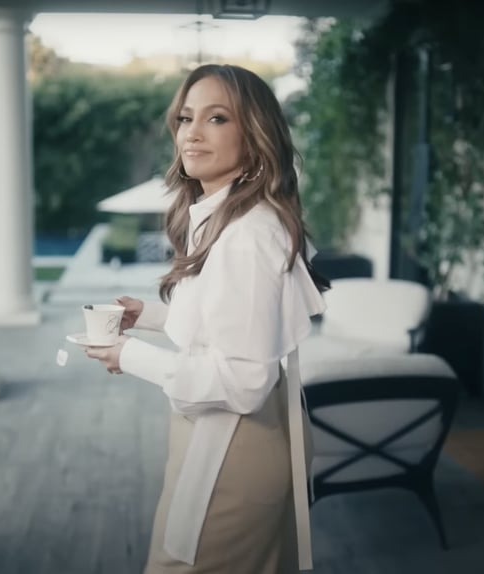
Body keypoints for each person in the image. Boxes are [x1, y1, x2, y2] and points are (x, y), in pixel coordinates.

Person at [83, 63, 329, 574]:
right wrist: (147, 316)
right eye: (185, 117)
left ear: (255, 134)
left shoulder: (247, 235)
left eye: (216, 118)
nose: (191, 133)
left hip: (233, 452)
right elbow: (231, 321)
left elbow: (243, 380)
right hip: (220, 438)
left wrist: (130, 356)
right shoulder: (223, 214)